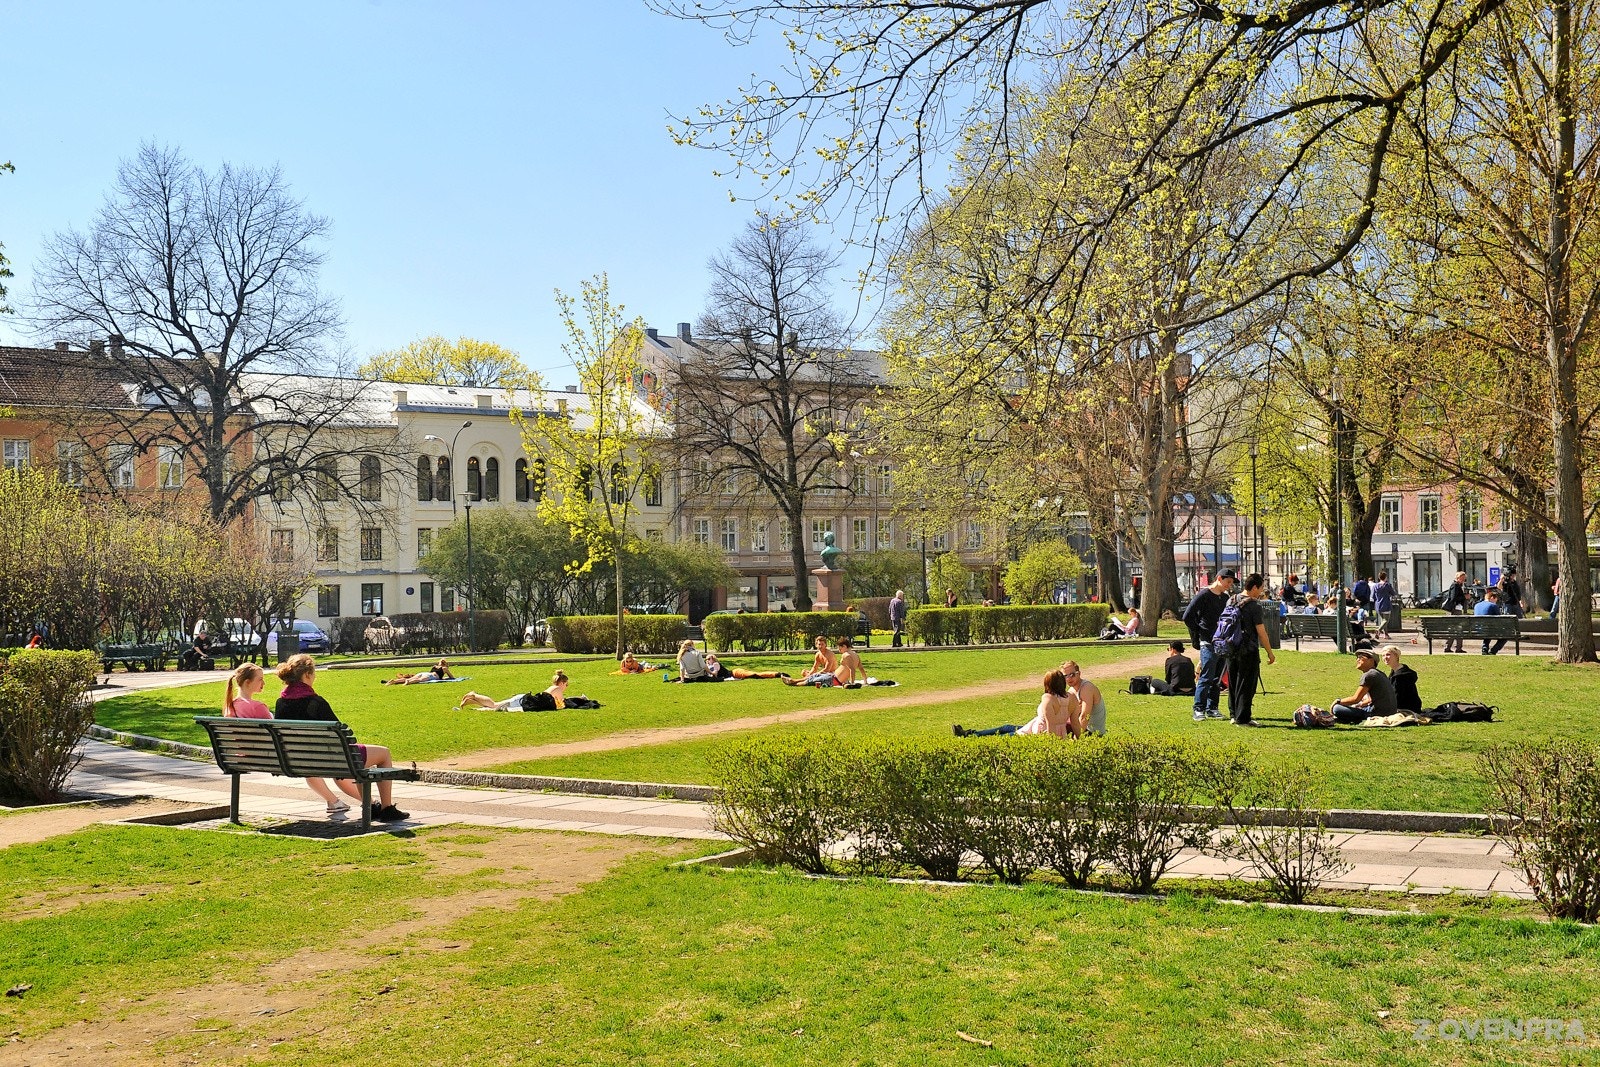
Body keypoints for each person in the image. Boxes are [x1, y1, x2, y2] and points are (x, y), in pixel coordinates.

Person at [273, 654, 408, 821]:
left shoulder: (281, 703)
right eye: (314, 673)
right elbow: (340, 735)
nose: (315, 677)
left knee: (348, 764)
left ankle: (371, 806)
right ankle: (386, 808)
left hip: (299, 761)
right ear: (307, 674)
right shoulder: (316, 702)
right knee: (383, 754)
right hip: (333, 759)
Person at [955, 669, 1080, 738]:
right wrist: (1080, 739)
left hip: (1036, 733)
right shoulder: (1072, 698)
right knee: (1005, 727)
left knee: (1001, 737)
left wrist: (1050, 746)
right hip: (1038, 727)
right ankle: (969, 733)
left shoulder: (1048, 698)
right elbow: (1075, 723)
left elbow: (1050, 726)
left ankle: (970, 737)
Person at [1181, 569, 1235, 722]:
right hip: (1208, 642)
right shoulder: (1204, 595)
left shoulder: (1225, 598)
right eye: (1228, 582)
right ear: (1219, 578)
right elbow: (1187, 616)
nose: (1229, 585)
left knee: (1217, 678)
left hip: (1222, 642)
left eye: (1231, 583)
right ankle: (1199, 708)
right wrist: (1201, 631)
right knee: (1206, 676)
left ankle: (1212, 708)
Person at [1226, 573, 1276, 727]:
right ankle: (1243, 718)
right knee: (1247, 683)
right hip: (1248, 648)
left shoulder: (1231, 600)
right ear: (1254, 587)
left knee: (1233, 682)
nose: (1261, 592)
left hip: (1230, 646)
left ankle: (1233, 714)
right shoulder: (1254, 606)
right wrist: (1270, 652)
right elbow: (1261, 632)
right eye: (1260, 588)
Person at [1330, 647, 1399, 724]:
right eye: (1357, 657)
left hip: (1376, 714)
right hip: (1390, 712)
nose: (1358, 660)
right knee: (1349, 706)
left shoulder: (1369, 675)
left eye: (1361, 657)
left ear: (1371, 660)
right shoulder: (1379, 673)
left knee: (1337, 708)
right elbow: (1370, 699)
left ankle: (1355, 719)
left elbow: (1356, 699)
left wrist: (1338, 701)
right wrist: (1359, 705)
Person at [458, 670, 570, 711]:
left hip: (523, 699)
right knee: (494, 705)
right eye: (566, 684)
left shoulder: (553, 688)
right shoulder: (557, 689)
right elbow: (562, 703)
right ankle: (474, 695)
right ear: (562, 683)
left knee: (494, 706)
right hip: (521, 701)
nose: (566, 687)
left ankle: (472, 701)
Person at [1063, 660, 1107, 737]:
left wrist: (1076, 739)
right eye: (1065, 676)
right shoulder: (1071, 691)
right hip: (1079, 728)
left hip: (1092, 733)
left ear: (1079, 674)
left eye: (1072, 675)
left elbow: (1085, 717)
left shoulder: (1087, 688)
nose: (1068, 678)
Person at [1383, 644, 1422, 714]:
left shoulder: (1400, 676)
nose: (1385, 657)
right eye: (1383, 655)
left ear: (1396, 656)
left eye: (1388, 654)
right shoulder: (1395, 671)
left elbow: (1397, 697)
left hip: (1407, 709)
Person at [1441, 571, 1470, 652]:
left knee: (1454, 628)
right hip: (1455, 609)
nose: (1463, 580)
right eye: (1462, 578)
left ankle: (1450, 647)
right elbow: (1453, 598)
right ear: (1457, 578)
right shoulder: (1455, 585)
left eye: (1464, 578)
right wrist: (1464, 597)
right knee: (1457, 628)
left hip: (1456, 609)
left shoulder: (1458, 585)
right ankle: (1457, 647)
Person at [1475, 587, 1508, 654]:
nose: (1496, 602)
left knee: (1488, 628)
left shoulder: (1476, 605)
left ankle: (1485, 648)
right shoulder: (1493, 606)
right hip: (1489, 629)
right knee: (1506, 635)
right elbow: (1499, 619)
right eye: (1496, 600)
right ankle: (1493, 651)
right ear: (1492, 598)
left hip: (1478, 630)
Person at [382, 658, 456, 685]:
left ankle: (394, 681)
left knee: (412, 677)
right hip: (431, 676)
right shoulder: (445, 668)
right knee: (420, 680)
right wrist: (445, 677)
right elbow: (452, 677)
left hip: (424, 673)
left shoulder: (434, 666)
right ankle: (408, 682)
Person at [1371, 571, 1396, 639]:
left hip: (1378, 605)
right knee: (1386, 620)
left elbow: (1372, 596)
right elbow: (1393, 593)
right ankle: (1378, 630)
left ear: (1379, 578)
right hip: (1386, 604)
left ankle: (1386, 634)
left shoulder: (1375, 586)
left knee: (1383, 620)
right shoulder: (1387, 585)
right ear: (1386, 577)